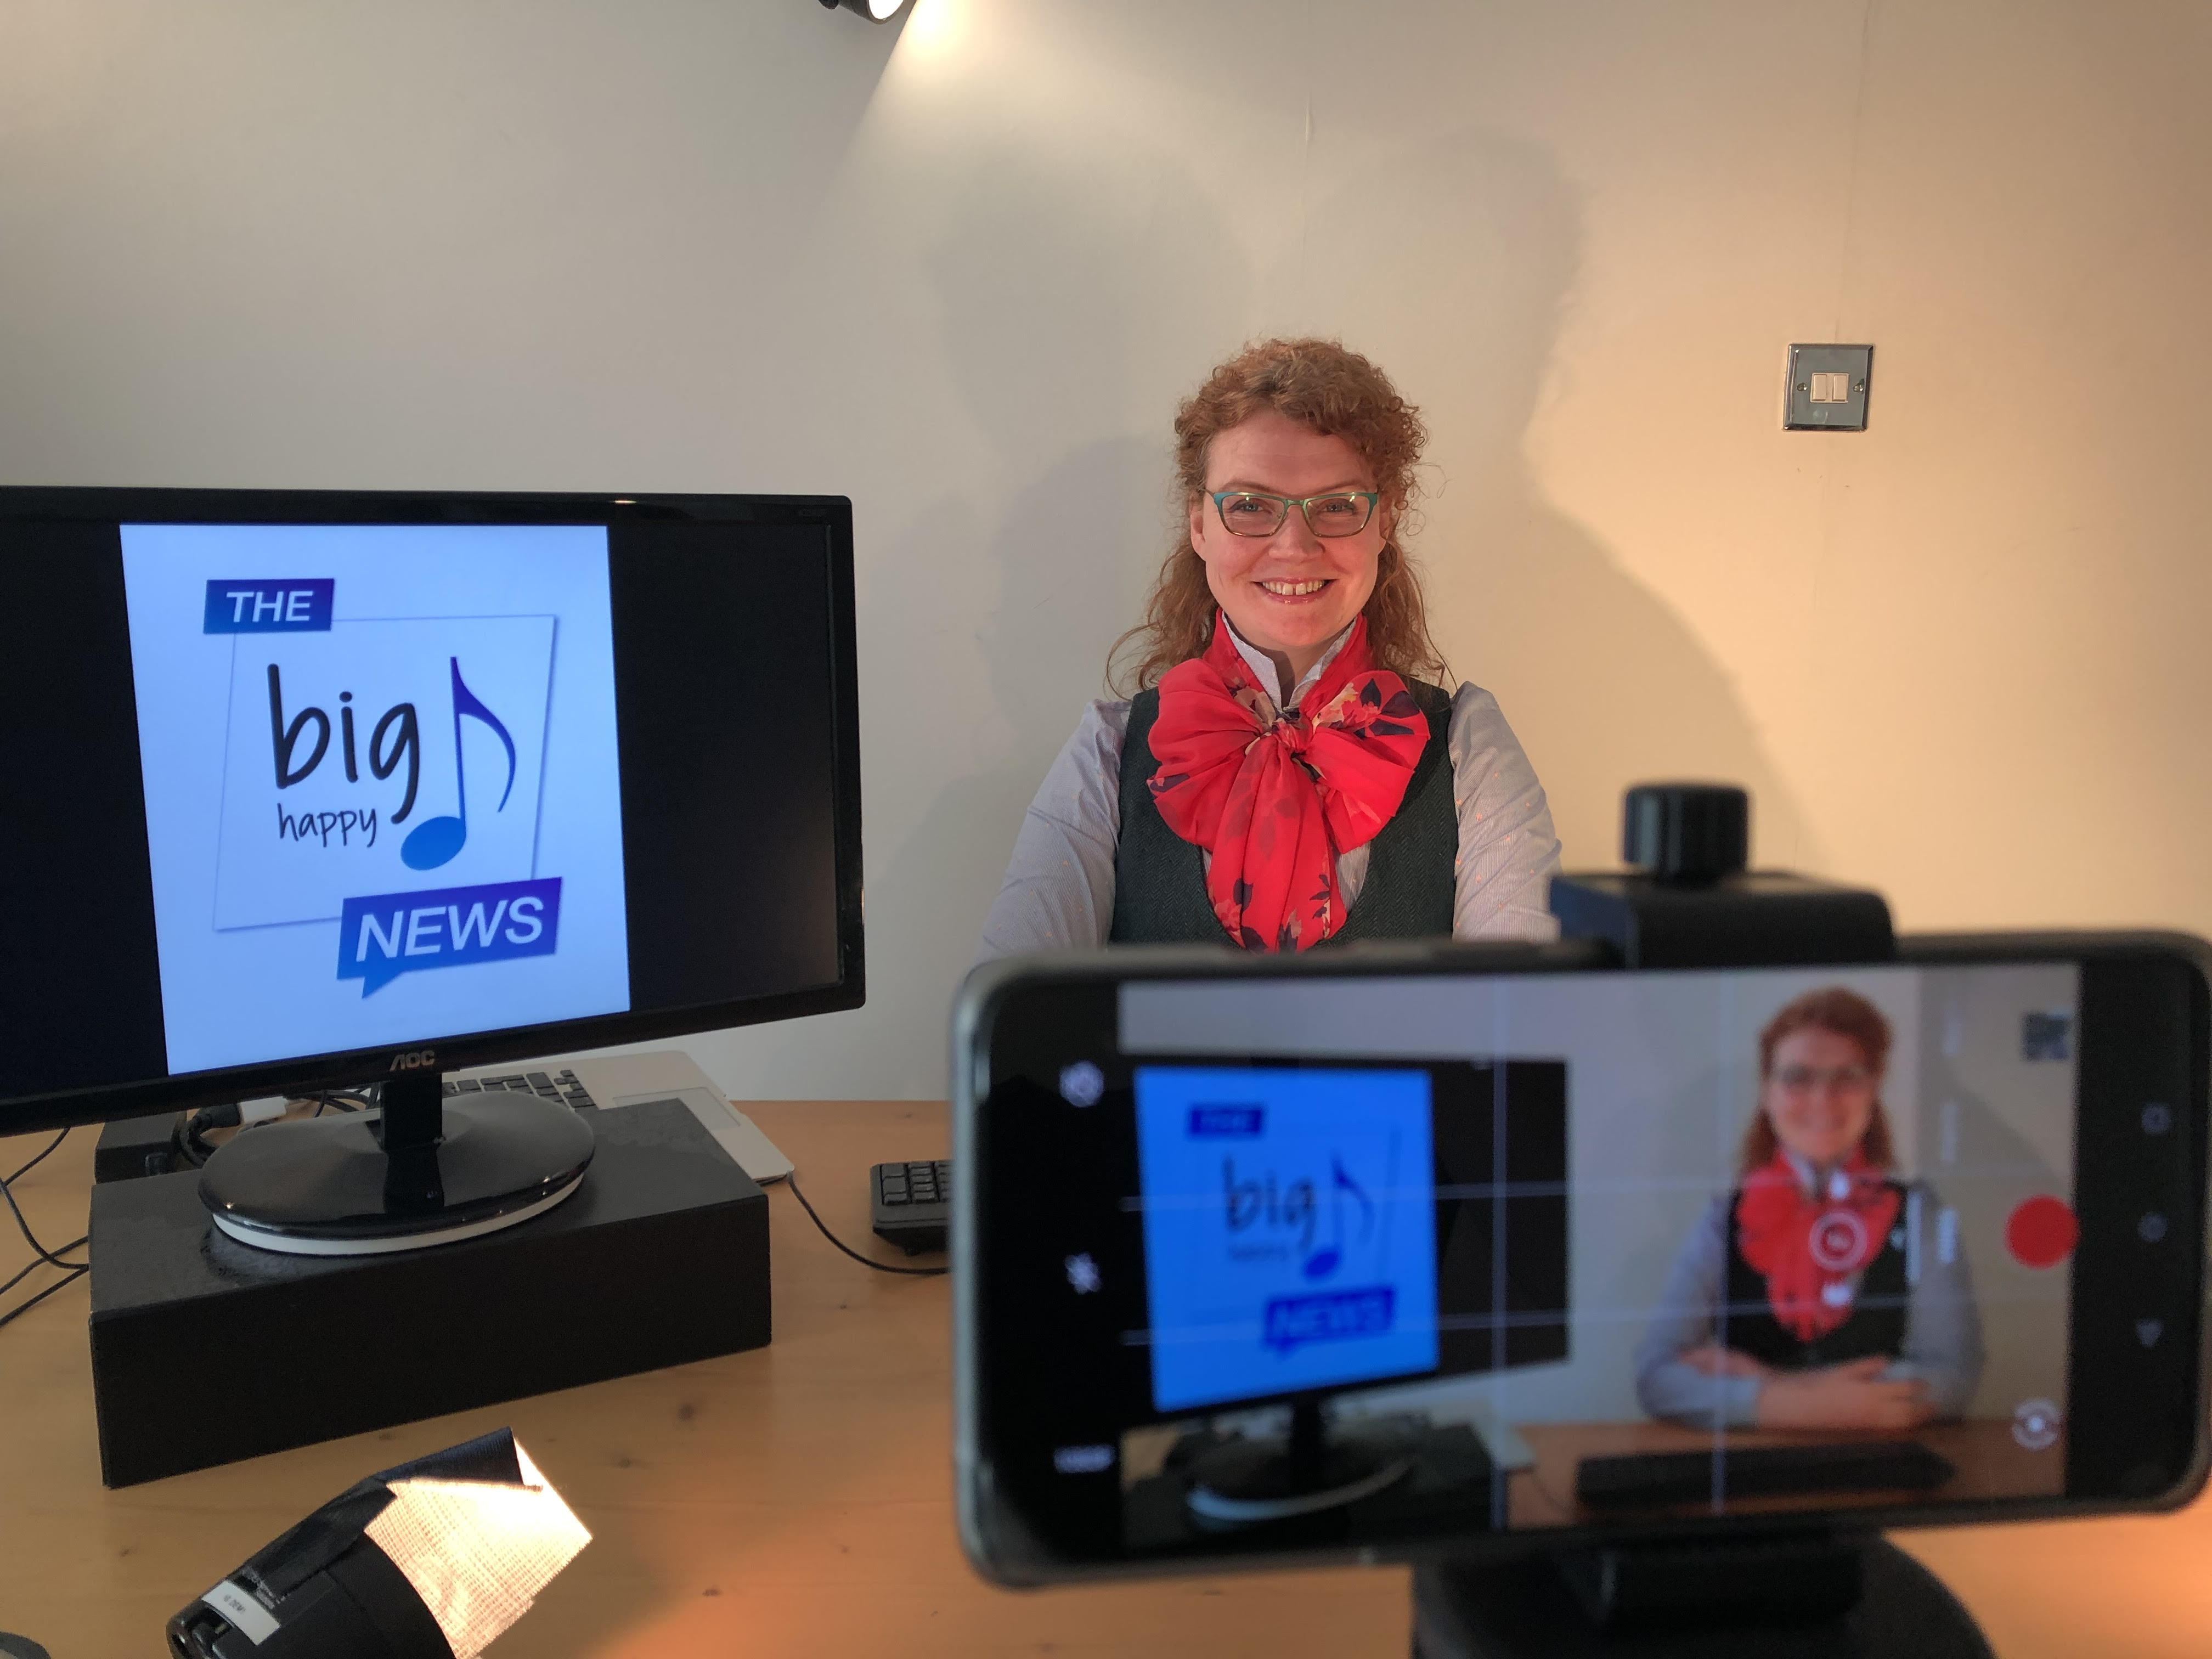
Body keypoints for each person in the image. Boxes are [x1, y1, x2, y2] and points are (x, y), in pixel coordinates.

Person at [978, 338, 1560, 957]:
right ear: (1199, 525)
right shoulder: (1108, 751)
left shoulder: (1471, 747)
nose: (1293, 546)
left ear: (1384, 522)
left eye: (1336, 505)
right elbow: (1014, 1015)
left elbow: (1522, 1028)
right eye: (1251, 505)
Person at [1635, 988, 1983, 1430]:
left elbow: (1955, 1377)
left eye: (1847, 1076)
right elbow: (1655, 1378)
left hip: (1881, 1469)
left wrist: (1773, 1384)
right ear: (1768, 1093)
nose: (1823, 1098)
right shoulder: (1724, 1218)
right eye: (1798, 1077)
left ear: (1872, 1090)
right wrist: (1800, 1403)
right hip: (1752, 1470)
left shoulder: (1921, 1214)